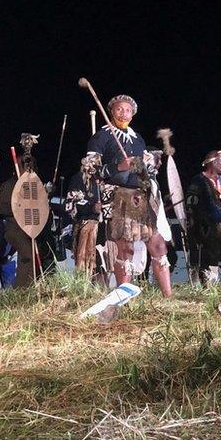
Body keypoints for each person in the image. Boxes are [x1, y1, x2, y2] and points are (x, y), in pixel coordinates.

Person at [86, 95, 172, 296]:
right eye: (119, 109)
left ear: (132, 115)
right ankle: (123, 297)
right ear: (111, 112)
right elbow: (91, 171)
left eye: (128, 110)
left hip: (140, 197)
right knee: (125, 249)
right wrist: (118, 166)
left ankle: (169, 297)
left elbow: (143, 172)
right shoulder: (101, 137)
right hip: (117, 198)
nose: (123, 113)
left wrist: (147, 168)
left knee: (158, 245)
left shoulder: (138, 139)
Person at [0, 148, 56, 288]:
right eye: (24, 164)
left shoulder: (34, 184)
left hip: (32, 228)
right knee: (28, 255)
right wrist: (20, 205)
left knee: (36, 257)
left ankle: (32, 287)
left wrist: (47, 194)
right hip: (15, 228)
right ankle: (21, 289)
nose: (27, 167)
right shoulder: (9, 185)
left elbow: (41, 207)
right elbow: (4, 208)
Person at [186, 147, 221, 284]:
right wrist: (194, 224)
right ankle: (207, 281)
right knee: (210, 248)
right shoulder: (199, 180)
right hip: (204, 225)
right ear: (214, 163)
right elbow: (191, 204)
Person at [65, 153, 104, 280]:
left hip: (100, 227)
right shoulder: (78, 179)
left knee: (100, 260)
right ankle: (82, 283)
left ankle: (99, 285)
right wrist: (92, 207)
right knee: (83, 256)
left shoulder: (100, 181)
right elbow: (72, 204)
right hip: (84, 224)